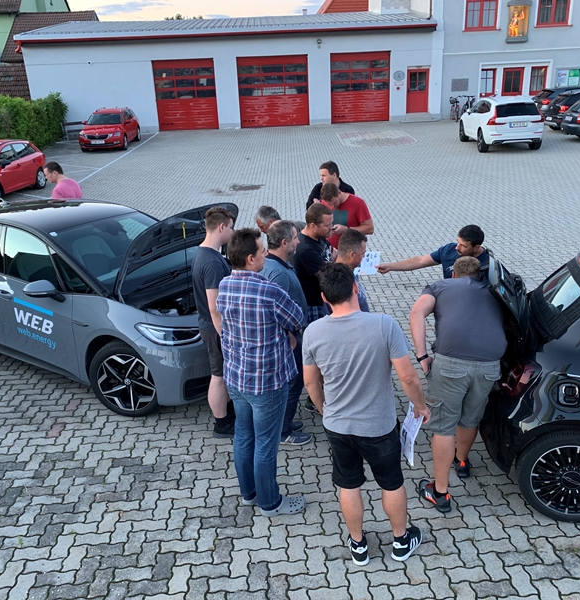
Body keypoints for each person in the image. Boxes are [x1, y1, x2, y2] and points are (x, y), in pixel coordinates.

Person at [303, 262, 431, 565]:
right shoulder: (384, 325)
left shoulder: (313, 332)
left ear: (324, 297)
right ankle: (400, 541)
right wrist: (420, 406)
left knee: (348, 484)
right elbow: (408, 377)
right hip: (378, 427)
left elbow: (310, 382)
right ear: (355, 288)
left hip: (338, 426)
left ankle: (358, 545)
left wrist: (325, 411)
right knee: (391, 482)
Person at [217, 228, 306, 516]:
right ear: (250, 258)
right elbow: (297, 318)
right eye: (262, 250)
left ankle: (249, 493)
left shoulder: (224, 285)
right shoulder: (268, 290)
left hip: (236, 377)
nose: (266, 253)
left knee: (244, 436)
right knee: (266, 444)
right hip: (267, 381)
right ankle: (271, 503)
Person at [409, 256, 506, 513]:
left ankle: (440, 492)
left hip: (450, 364)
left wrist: (422, 356)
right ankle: (461, 461)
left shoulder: (440, 286)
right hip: (490, 366)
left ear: (453, 274)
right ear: (479, 275)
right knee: (470, 419)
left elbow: (417, 312)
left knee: (444, 427)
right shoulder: (495, 292)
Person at [260, 220, 312, 446]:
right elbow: (276, 311)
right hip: (289, 338)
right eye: (295, 238)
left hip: (290, 336)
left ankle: (285, 423)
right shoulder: (278, 273)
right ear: (284, 242)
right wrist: (291, 338)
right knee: (294, 383)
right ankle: (283, 431)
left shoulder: (275, 265)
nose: (298, 242)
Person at [191, 207, 237, 438]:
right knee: (218, 376)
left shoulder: (201, 254)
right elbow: (214, 306)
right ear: (221, 227)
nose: (232, 232)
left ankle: (228, 414)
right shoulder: (212, 262)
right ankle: (222, 424)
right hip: (214, 328)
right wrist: (225, 336)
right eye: (230, 227)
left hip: (208, 325)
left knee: (221, 374)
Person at [377, 225, 488, 280]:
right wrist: (390, 266)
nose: (457, 247)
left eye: (463, 245)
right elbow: (420, 261)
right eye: (457, 242)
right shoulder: (449, 250)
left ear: (476, 247)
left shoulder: (487, 265)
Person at [292, 203, 334, 324]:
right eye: (327, 225)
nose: (331, 227)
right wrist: (334, 261)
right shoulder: (306, 249)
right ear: (313, 226)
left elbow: (331, 253)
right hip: (314, 305)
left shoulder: (319, 236)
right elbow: (328, 275)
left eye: (331, 223)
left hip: (322, 300)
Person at [325, 228, 370, 314]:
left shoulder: (350, 270)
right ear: (352, 255)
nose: (364, 256)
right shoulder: (338, 280)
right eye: (363, 253)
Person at [320, 182, 374, 250]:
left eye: (334, 203)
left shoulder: (358, 203)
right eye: (329, 204)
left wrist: (346, 229)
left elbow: (370, 229)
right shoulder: (323, 203)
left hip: (351, 250)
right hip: (329, 249)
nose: (332, 206)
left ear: (339, 193)